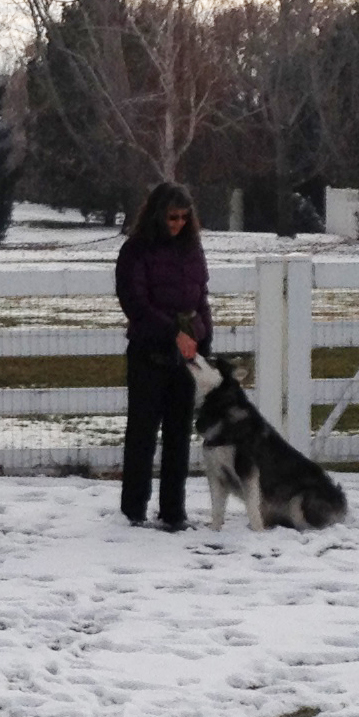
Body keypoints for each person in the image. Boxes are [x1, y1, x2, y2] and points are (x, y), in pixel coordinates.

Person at [115, 182, 213, 531]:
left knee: (178, 435)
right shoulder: (135, 251)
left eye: (184, 218)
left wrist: (202, 342)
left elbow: (201, 299)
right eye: (173, 218)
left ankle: (173, 510)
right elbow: (135, 303)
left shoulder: (192, 249)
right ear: (158, 215)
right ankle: (134, 509)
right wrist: (175, 332)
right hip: (148, 354)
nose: (179, 224)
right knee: (142, 434)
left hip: (185, 358)